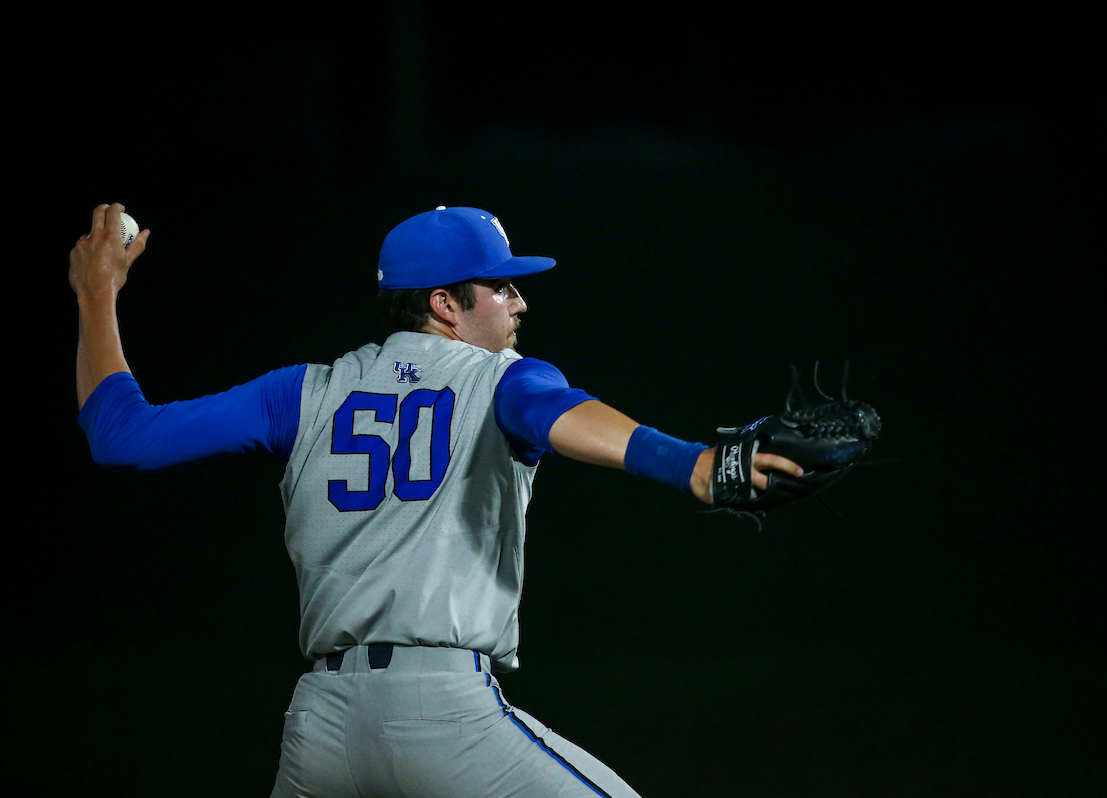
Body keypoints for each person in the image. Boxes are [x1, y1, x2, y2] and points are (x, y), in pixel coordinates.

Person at [71, 202, 804, 797]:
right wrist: (697, 466)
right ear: (445, 303)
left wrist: (97, 292)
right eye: (500, 286)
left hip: (321, 727)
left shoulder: (302, 392)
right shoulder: (503, 379)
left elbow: (121, 436)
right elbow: (561, 415)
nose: (519, 300)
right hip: (441, 717)